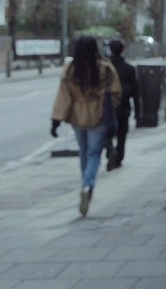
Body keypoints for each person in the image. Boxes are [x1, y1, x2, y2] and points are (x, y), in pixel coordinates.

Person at [51, 36, 122, 217]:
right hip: (98, 116)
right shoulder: (105, 68)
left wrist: (56, 120)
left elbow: (63, 96)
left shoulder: (70, 69)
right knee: (94, 154)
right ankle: (87, 185)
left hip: (77, 116)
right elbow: (116, 94)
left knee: (83, 152)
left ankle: (85, 184)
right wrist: (106, 107)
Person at [106, 39, 139, 170]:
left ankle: (110, 150)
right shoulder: (129, 69)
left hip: (108, 106)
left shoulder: (106, 68)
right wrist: (138, 111)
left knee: (105, 132)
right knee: (122, 134)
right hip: (124, 106)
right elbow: (136, 91)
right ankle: (119, 159)